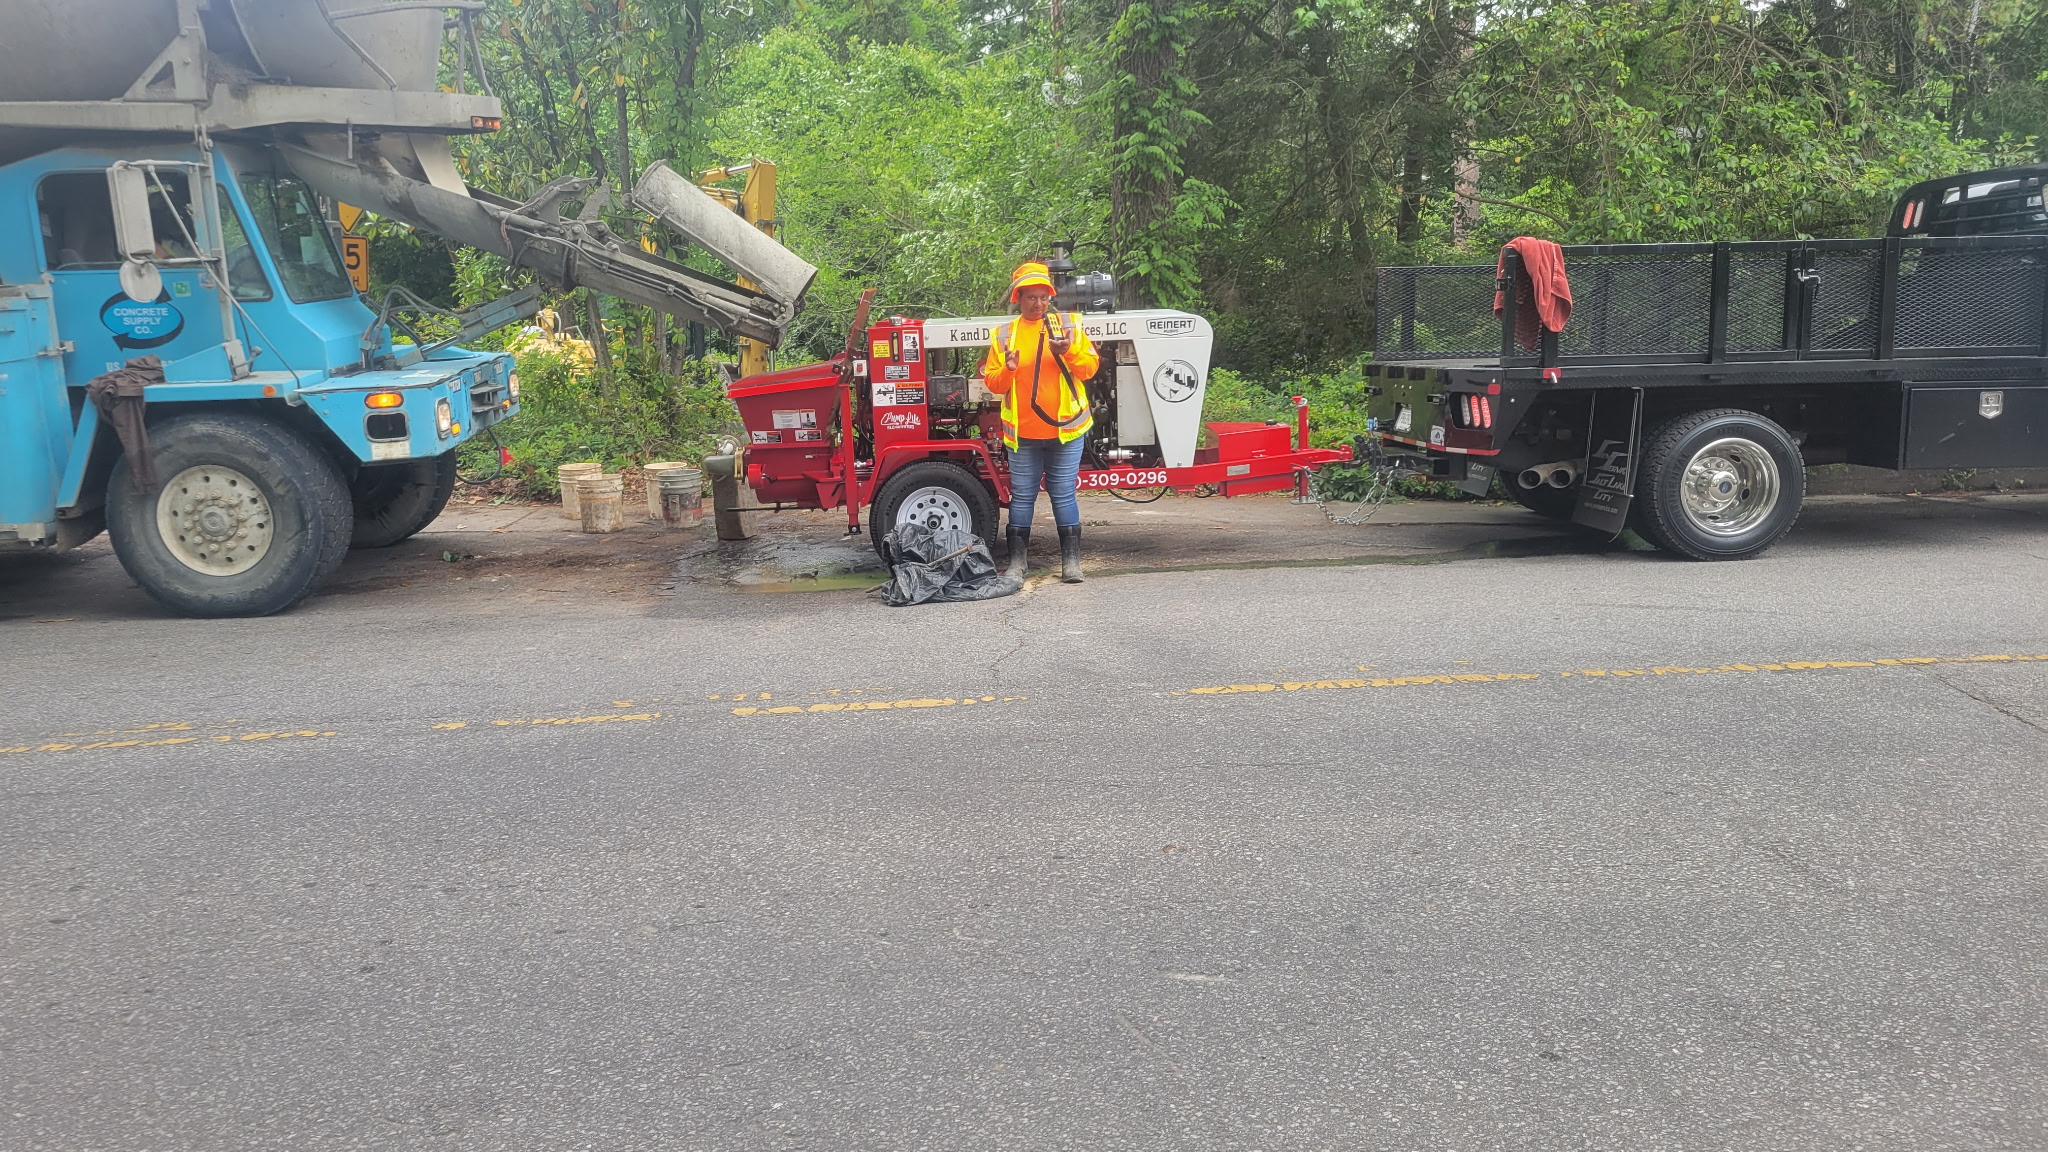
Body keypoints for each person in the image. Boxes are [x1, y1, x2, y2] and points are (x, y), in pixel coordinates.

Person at [981, 261, 1100, 584]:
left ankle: (1071, 564)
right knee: (1022, 496)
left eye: (1043, 296)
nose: (1038, 303)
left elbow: (1089, 369)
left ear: (1051, 296)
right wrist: (1008, 368)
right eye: (1031, 297)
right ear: (1019, 298)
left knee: (1063, 494)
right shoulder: (1005, 334)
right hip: (1024, 435)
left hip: (1066, 430)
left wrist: (1068, 353)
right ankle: (1018, 564)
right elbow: (994, 384)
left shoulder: (1069, 325)